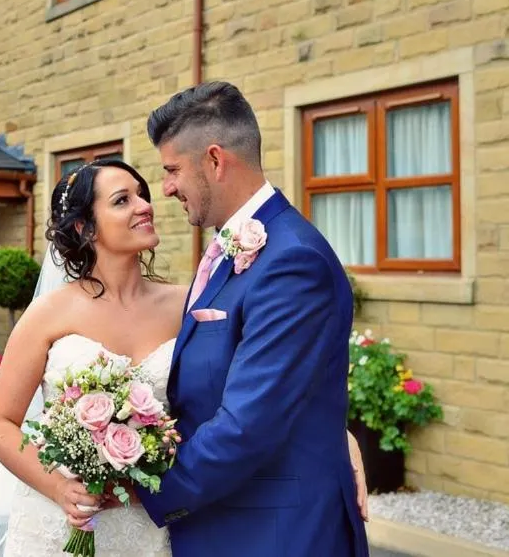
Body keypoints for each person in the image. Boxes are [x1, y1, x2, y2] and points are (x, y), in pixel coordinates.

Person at [0, 150, 369, 556]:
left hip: (148, 516)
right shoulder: (48, 313)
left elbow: (265, 383)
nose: (144, 206)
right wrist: (60, 488)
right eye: (122, 200)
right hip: (61, 521)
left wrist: (339, 437)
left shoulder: (189, 305)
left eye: (142, 194)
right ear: (85, 227)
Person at [132, 81, 370, 557]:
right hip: (229, 522)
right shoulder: (230, 248)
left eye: (172, 169)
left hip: (277, 535)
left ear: (216, 160)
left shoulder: (291, 262)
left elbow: (248, 424)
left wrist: (141, 491)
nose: (166, 187)